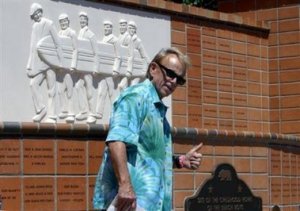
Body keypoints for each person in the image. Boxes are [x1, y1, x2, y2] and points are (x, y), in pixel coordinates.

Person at [93, 47, 203, 210]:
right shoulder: (136, 97)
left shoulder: (157, 109)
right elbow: (117, 140)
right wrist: (125, 186)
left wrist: (180, 161)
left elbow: (149, 157)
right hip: (129, 204)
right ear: (153, 69)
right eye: (171, 74)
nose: (173, 82)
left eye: (179, 80)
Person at [26, 3, 63, 123]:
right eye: (34, 15)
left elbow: (58, 43)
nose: (36, 16)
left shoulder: (49, 23)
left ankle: (52, 115)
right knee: (33, 84)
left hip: (50, 62)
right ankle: (41, 109)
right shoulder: (34, 27)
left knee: (51, 88)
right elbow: (33, 47)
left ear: (41, 12)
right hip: (40, 62)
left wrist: (60, 61)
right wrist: (29, 64)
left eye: (37, 13)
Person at [90, 21, 118, 124]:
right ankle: (99, 112)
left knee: (111, 92)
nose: (106, 29)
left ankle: (116, 110)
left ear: (111, 28)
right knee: (101, 92)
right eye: (105, 27)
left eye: (108, 27)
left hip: (110, 70)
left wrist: (116, 69)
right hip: (104, 69)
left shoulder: (114, 40)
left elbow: (118, 55)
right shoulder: (104, 39)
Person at [76, 11, 97, 122]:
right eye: (81, 19)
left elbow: (95, 52)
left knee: (89, 89)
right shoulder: (80, 32)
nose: (82, 21)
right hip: (82, 67)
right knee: (79, 86)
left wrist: (95, 67)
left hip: (88, 67)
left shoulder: (90, 34)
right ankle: (84, 111)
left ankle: (92, 113)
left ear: (87, 20)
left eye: (84, 19)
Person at [57, 13, 77, 123]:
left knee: (69, 90)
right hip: (61, 66)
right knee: (60, 90)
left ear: (68, 21)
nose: (63, 23)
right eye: (61, 22)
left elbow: (75, 49)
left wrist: (73, 65)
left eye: (64, 21)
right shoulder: (59, 33)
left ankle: (71, 113)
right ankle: (64, 110)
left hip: (69, 66)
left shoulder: (72, 33)